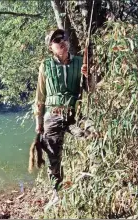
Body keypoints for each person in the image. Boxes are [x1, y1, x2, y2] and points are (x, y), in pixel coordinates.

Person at [34, 29, 97, 211]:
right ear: (50, 47)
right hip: (52, 116)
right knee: (53, 157)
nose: (61, 41)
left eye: (63, 38)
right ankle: (57, 194)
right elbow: (40, 97)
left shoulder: (80, 62)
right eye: (56, 40)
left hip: (75, 115)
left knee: (93, 137)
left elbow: (90, 90)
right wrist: (38, 123)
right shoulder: (45, 65)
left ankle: (91, 182)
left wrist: (88, 75)